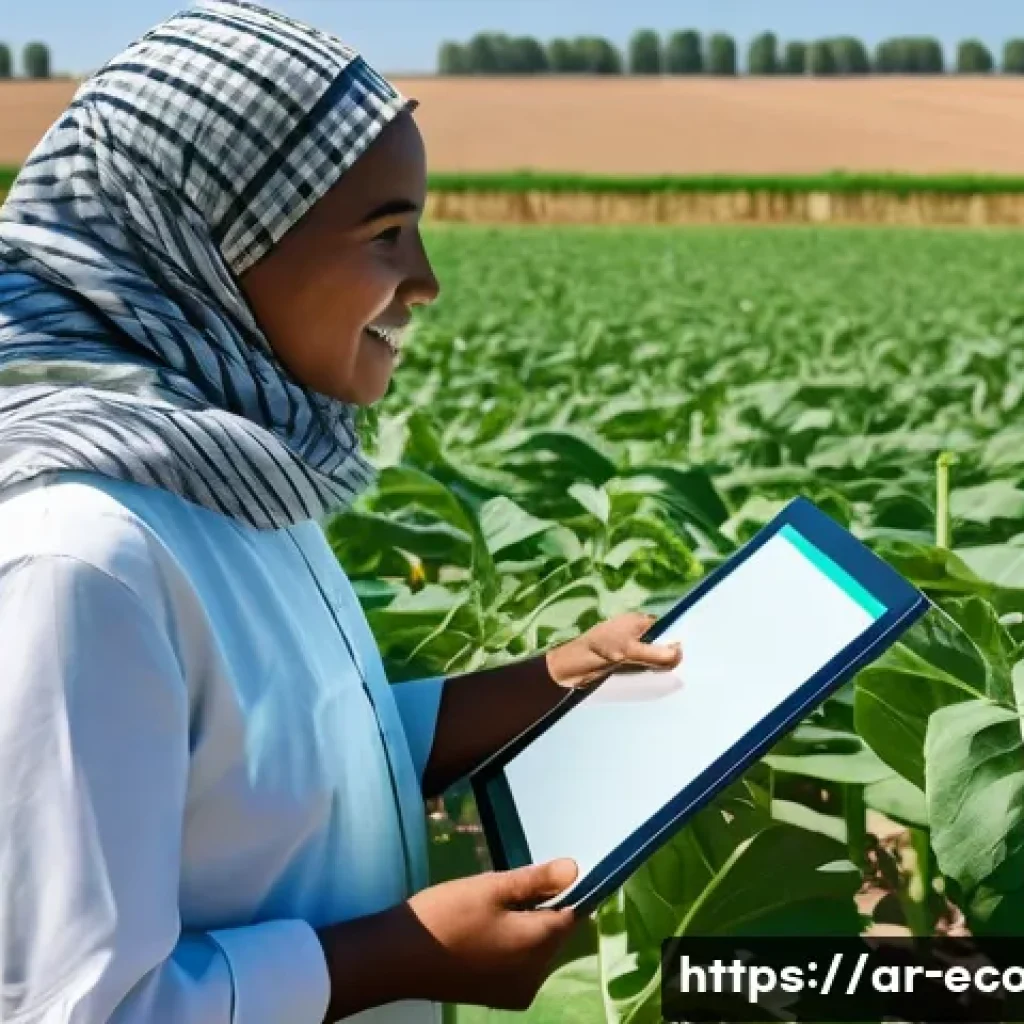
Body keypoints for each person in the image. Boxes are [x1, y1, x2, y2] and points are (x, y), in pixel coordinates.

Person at [0, 3, 683, 1021]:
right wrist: (401, 958)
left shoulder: (234, 468)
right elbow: (73, 1005)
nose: (425, 281)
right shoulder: (77, 559)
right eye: (384, 232)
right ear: (204, 248)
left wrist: (557, 678)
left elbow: (292, 749)